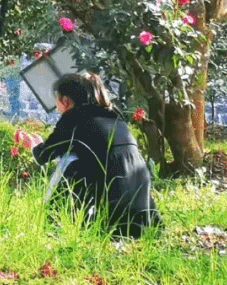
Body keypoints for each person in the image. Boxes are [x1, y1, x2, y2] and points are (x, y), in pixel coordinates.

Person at [17, 72, 161, 238]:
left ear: (65, 101)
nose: (57, 107)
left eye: (57, 101)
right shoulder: (114, 116)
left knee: (72, 164)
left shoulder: (73, 118)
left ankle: (55, 226)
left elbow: (44, 155)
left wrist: (34, 145)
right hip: (141, 208)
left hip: (112, 214)